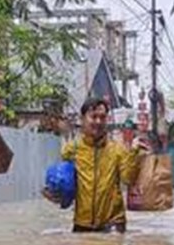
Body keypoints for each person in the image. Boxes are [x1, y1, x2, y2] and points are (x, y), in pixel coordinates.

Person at [44, 98, 149, 233]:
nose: (98, 121)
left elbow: (128, 179)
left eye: (103, 117)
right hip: (82, 224)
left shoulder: (117, 149)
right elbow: (65, 183)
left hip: (113, 225)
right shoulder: (72, 150)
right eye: (94, 117)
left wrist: (134, 153)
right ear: (83, 119)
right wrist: (53, 193)